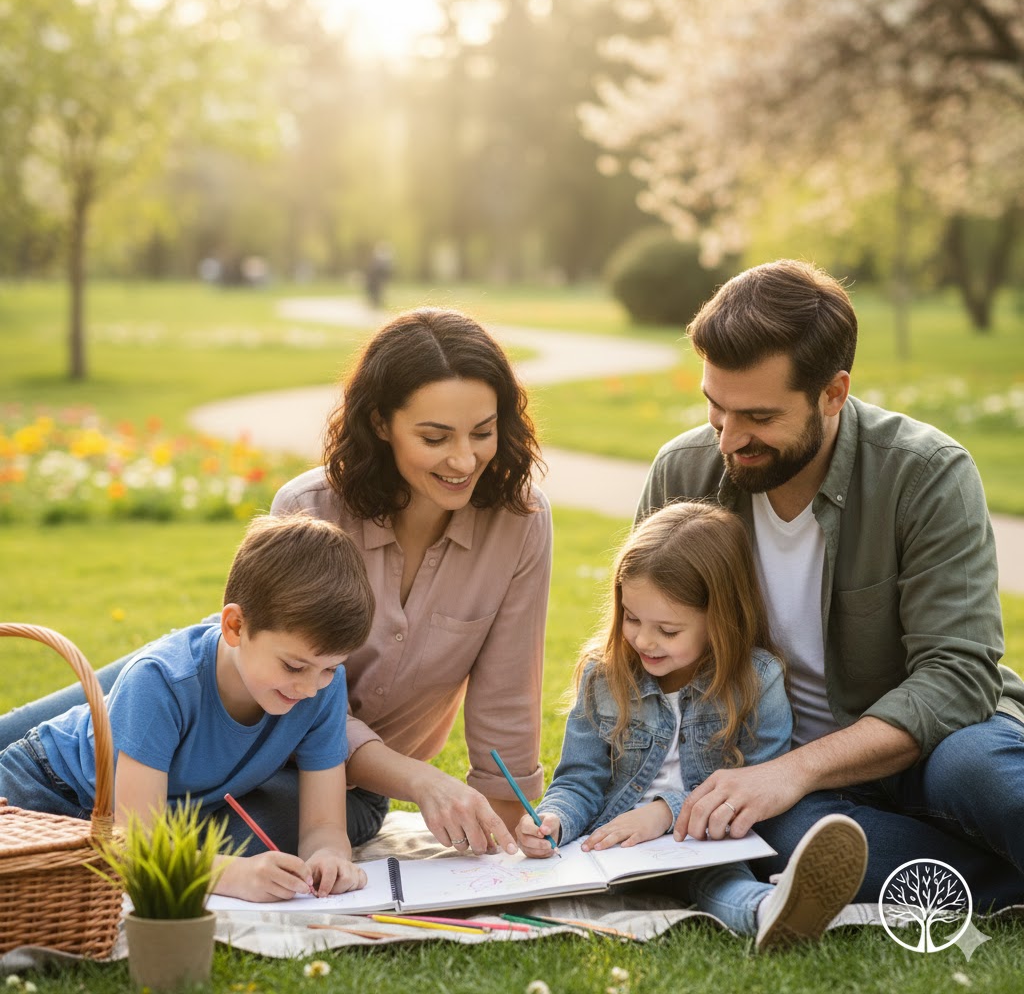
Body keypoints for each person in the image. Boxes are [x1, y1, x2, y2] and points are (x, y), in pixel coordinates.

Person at [0, 309, 552, 858]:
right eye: (435, 437)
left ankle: (64, 847)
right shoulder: (310, 507)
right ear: (381, 423)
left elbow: (506, 699)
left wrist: (510, 826)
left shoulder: (520, 523)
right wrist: (419, 779)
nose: (464, 458)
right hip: (222, 709)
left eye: (484, 432)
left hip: (329, 786)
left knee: (182, 840)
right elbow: (250, 647)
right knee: (62, 734)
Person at [638, 259, 1024, 907]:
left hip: (935, 743)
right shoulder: (683, 474)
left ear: (833, 394)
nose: (729, 440)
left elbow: (957, 676)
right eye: (715, 407)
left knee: (983, 777)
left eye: (757, 416)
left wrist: (797, 770)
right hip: (776, 770)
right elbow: (646, 660)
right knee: (780, 837)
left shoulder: (926, 474)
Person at [516, 501, 867, 950]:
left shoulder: (757, 681)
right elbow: (579, 781)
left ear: (719, 620)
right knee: (546, 884)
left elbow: (759, 785)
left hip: (701, 845)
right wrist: (554, 820)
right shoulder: (603, 677)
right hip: (607, 851)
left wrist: (667, 812)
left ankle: (774, 910)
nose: (644, 640)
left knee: (722, 885)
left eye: (667, 629)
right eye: (632, 618)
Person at [0, 514, 374, 902]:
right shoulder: (161, 681)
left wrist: (328, 857)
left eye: (329, 668)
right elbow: (135, 846)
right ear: (234, 626)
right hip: (49, 790)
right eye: (294, 666)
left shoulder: (322, 691)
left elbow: (324, 825)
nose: (311, 688)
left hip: (152, 821)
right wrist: (235, 875)